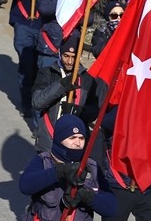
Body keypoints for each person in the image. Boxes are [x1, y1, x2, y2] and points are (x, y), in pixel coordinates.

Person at [32, 24, 104, 153]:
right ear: (60, 53)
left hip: (73, 146)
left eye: (74, 56)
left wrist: (80, 111)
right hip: (48, 142)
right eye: (66, 56)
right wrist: (62, 85)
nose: (70, 61)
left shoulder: (87, 79)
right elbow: (37, 102)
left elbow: (94, 110)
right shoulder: (47, 73)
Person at [7, 0, 58, 120]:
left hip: (43, 26)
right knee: (26, 65)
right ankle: (27, 103)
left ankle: (39, 106)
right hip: (23, 23)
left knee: (41, 69)